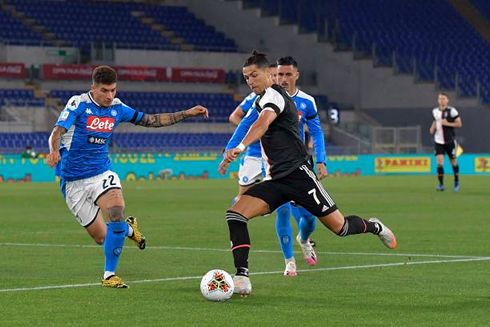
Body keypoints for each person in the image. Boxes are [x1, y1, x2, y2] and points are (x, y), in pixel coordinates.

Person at [218, 51, 396, 296]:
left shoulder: (274, 97)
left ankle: (374, 226)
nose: (250, 80)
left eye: (254, 75)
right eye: (246, 77)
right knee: (235, 214)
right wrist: (229, 150)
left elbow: (262, 124)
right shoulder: (259, 99)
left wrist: (239, 148)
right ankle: (242, 277)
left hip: (299, 176)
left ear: (268, 74)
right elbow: (247, 122)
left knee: (340, 228)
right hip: (276, 181)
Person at [46, 66, 208, 288]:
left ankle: (109, 275)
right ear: (93, 88)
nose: (110, 95)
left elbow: (150, 120)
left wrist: (186, 113)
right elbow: (57, 131)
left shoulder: (118, 108)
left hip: (101, 172)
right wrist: (54, 150)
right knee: (102, 238)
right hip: (73, 180)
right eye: (105, 90)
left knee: (115, 209)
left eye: (113, 90)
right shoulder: (79, 104)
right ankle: (129, 229)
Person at [273, 55, 328, 276]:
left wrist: (322, 160)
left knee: (309, 218)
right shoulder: (267, 98)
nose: (283, 78)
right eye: (279, 74)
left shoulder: (307, 101)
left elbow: (316, 131)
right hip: (276, 166)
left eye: (287, 74)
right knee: (283, 212)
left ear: (296, 75)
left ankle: (304, 239)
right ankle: (289, 261)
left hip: (301, 164)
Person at [226, 64, 277, 200]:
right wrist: (255, 132)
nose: (275, 79)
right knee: (243, 199)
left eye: (277, 75)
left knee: (282, 204)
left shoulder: (286, 98)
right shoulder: (255, 97)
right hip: (254, 154)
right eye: (272, 75)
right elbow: (234, 117)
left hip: (276, 156)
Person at [429, 92, 462, 192]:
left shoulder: (452, 111)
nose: (441, 100)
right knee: (439, 163)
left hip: (450, 141)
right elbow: (435, 120)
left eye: (443, 98)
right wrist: (432, 127)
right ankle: (441, 184)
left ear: (447, 100)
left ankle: (456, 181)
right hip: (438, 141)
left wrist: (448, 123)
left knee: (453, 162)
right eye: (440, 99)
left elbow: (459, 124)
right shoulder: (435, 111)